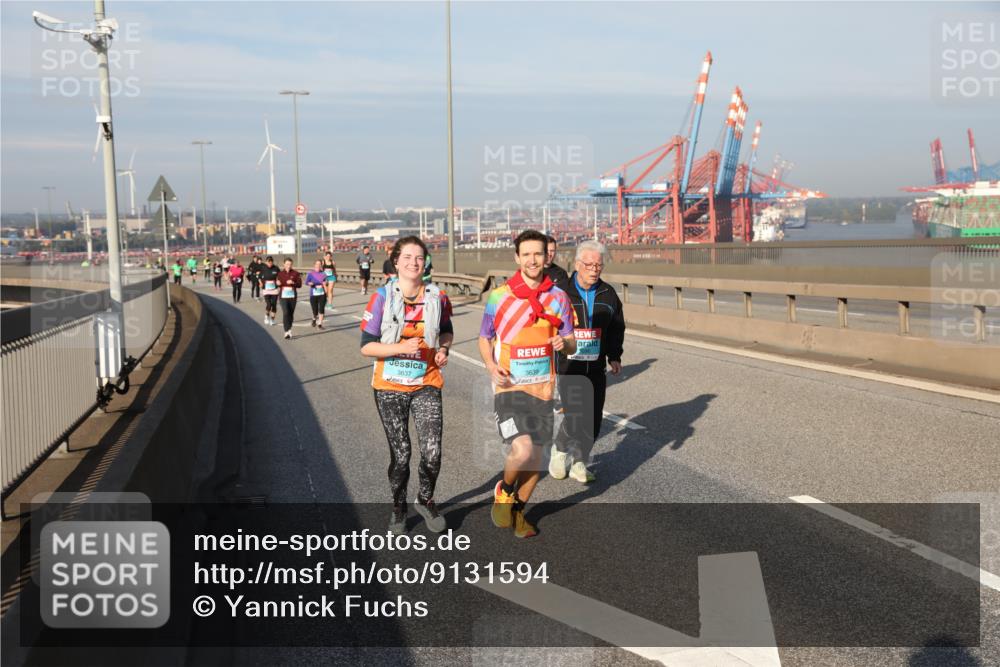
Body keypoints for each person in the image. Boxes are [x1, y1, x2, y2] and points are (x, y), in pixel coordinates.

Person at [479, 230, 575, 538]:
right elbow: (485, 337)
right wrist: (491, 366)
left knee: (537, 459)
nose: (533, 260)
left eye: (539, 254)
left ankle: (519, 512)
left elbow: (572, 342)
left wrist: (565, 344)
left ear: (547, 256)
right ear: (517, 258)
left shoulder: (558, 297)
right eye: (527, 254)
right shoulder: (500, 296)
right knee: (521, 451)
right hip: (509, 388)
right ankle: (505, 490)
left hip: (543, 389)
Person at [361, 236, 454, 535]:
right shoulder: (381, 298)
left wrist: (443, 350)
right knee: (401, 455)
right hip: (389, 385)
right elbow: (366, 347)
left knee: (432, 452)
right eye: (408, 257)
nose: (414, 262)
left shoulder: (438, 297)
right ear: (396, 261)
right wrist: (400, 349)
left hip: (426, 381)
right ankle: (398, 506)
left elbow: (447, 332)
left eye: (419, 257)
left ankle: (425, 499)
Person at [549, 241, 625, 484]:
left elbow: (616, 327)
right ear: (578, 265)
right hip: (568, 364)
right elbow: (546, 324)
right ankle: (560, 451)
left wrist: (614, 355)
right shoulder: (560, 291)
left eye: (599, 265)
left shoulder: (608, 294)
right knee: (575, 414)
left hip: (595, 365)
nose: (595, 270)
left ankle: (580, 462)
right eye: (590, 265)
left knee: (593, 417)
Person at [277, 257, 302, 340]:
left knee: (290, 313)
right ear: (284, 264)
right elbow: (277, 283)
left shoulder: (296, 273)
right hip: (283, 296)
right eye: (287, 264)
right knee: (286, 312)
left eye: (290, 264)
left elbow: (299, 284)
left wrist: (293, 282)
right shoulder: (280, 274)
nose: (288, 266)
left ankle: (289, 329)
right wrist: (277, 283)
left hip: (292, 296)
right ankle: (286, 331)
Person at [306, 260, 328, 328]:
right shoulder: (311, 273)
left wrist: (325, 283)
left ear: (321, 265)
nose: (318, 265)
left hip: (322, 293)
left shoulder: (323, 274)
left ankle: (320, 324)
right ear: (314, 265)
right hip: (313, 294)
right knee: (315, 311)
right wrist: (310, 283)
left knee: (321, 309)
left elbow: (325, 283)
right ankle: (314, 319)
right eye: (317, 264)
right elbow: (307, 282)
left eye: (319, 264)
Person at [259, 256, 281, 326]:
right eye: (268, 261)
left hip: (274, 289)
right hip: (266, 289)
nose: (270, 263)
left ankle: (272, 319)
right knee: (269, 304)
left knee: (274, 305)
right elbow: (259, 277)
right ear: (266, 262)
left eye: (271, 261)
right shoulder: (263, 268)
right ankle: (266, 316)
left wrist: (278, 281)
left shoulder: (276, 268)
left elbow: (280, 277)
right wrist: (261, 283)